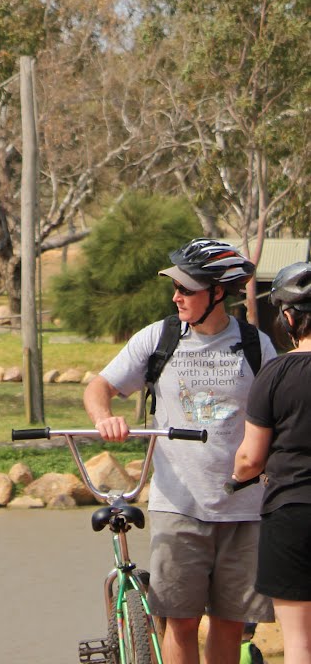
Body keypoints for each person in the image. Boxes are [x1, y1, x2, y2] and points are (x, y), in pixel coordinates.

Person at [83, 238, 276, 664]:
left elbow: (280, 410)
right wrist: (104, 417)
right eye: (175, 288)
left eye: (187, 289)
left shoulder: (257, 345)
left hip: (245, 509)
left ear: (218, 293)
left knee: (230, 622)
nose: (176, 297)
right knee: (180, 621)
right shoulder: (159, 337)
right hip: (178, 505)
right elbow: (99, 387)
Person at [233, 262, 311, 664]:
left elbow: (250, 458)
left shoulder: (277, 373)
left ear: (289, 317)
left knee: (300, 642)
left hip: (292, 513)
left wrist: (237, 476)